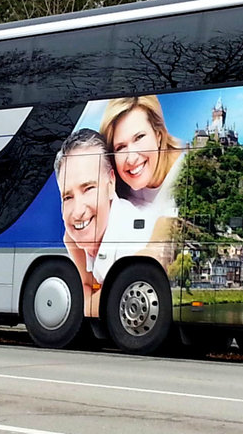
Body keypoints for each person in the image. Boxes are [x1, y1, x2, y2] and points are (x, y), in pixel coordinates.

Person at [54, 129, 136, 318]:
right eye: (67, 197)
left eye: (89, 188)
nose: (77, 211)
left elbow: (93, 307)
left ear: (111, 183)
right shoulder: (94, 236)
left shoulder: (131, 242)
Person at [96, 96, 184, 272]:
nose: (132, 157)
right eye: (120, 147)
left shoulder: (184, 170)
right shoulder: (115, 186)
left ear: (158, 136)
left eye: (139, 137)